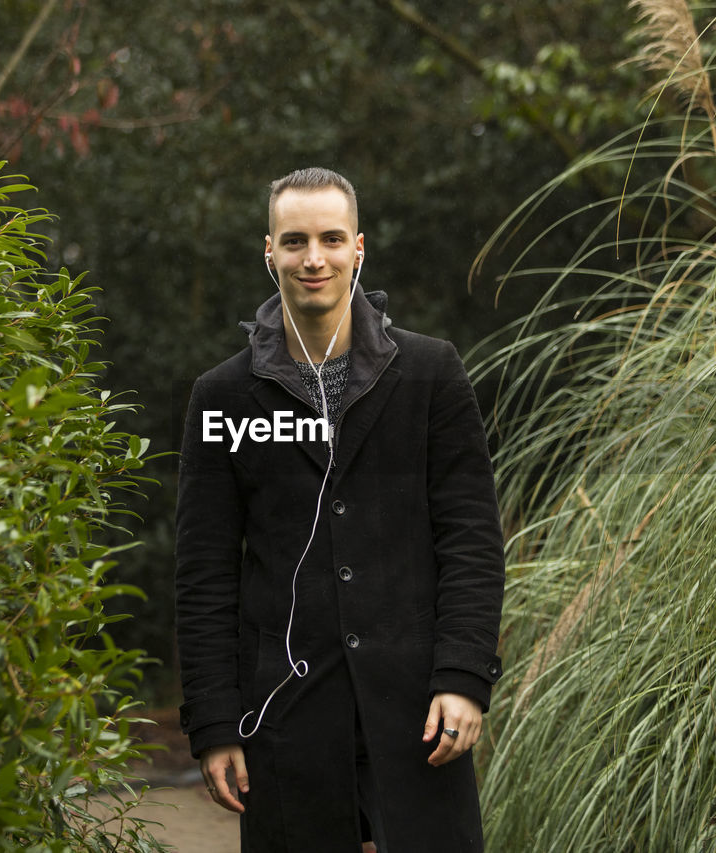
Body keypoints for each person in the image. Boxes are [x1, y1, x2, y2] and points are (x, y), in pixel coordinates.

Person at [175, 167, 505, 852]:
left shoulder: (431, 373)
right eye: (294, 241)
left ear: (359, 248)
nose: (313, 258)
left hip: (419, 713)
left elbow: (471, 538)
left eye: (330, 238)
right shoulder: (221, 398)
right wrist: (213, 723)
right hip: (286, 721)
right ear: (270, 253)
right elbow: (204, 574)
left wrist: (464, 677)